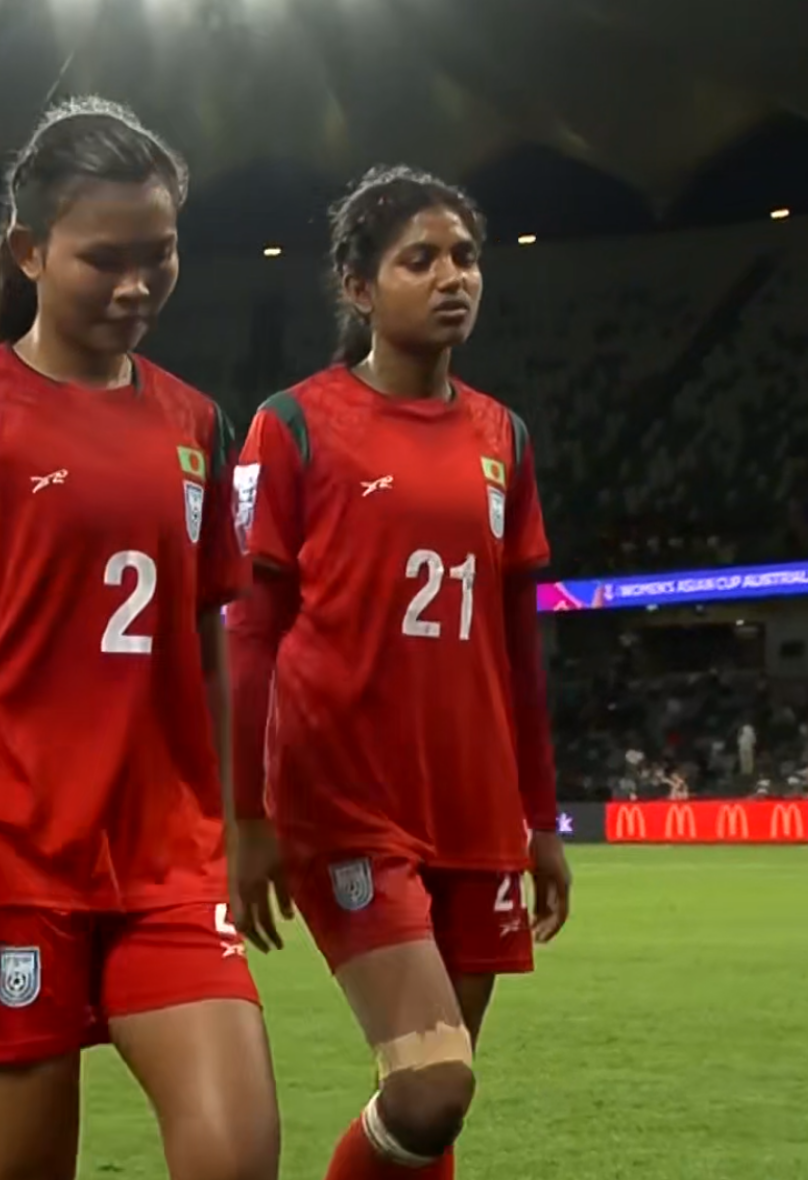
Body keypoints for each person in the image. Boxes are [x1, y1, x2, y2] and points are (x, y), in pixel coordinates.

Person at [0, 97, 279, 1180]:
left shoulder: (197, 424)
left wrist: (237, 821)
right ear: (30, 252)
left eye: (161, 254)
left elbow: (208, 650)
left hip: (168, 863)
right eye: (106, 259)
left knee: (238, 1158)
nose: (138, 285)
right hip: (10, 864)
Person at [225, 165, 573, 1180]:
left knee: (429, 1108)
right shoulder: (293, 425)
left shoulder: (504, 436)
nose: (452, 276)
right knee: (431, 1086)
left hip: (475, 801)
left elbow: (517, 644)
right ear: (359, 287)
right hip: (344, 799)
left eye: (465, 256)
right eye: (419, 259)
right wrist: (246, 815)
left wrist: (539, 816)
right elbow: (250, 633)